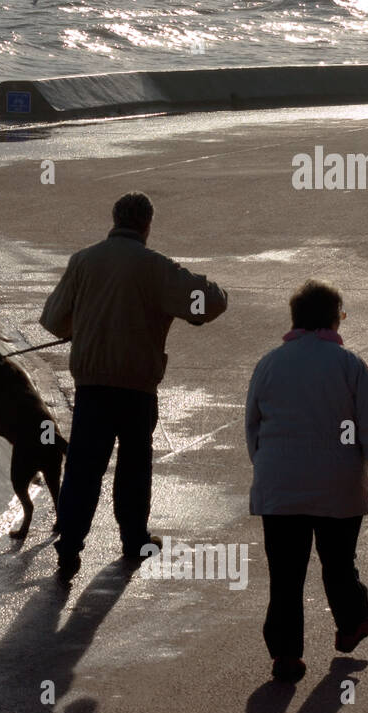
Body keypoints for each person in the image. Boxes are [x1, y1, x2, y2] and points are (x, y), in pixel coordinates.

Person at [40, 192, 228, 582]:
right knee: (134, 465)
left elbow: (54, 320)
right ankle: (133, 538)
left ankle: (70, 546)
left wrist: (85, 326)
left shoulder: (84, 261)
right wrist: (216, 290)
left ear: (114, 219)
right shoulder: (155, 268)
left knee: (83, 467)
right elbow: (207, 303)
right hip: (136, 388)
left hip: (92, 385)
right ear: (147, 224)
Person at [246, 279, 368, 683]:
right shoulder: (349, 365)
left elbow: (253, 428)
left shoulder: (269, 364)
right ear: (333, 319)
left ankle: (285, 655)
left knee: (285, 574)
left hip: (279, 488)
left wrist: (267, 469)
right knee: (337, 564)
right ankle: (352, 621)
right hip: (339, 486)